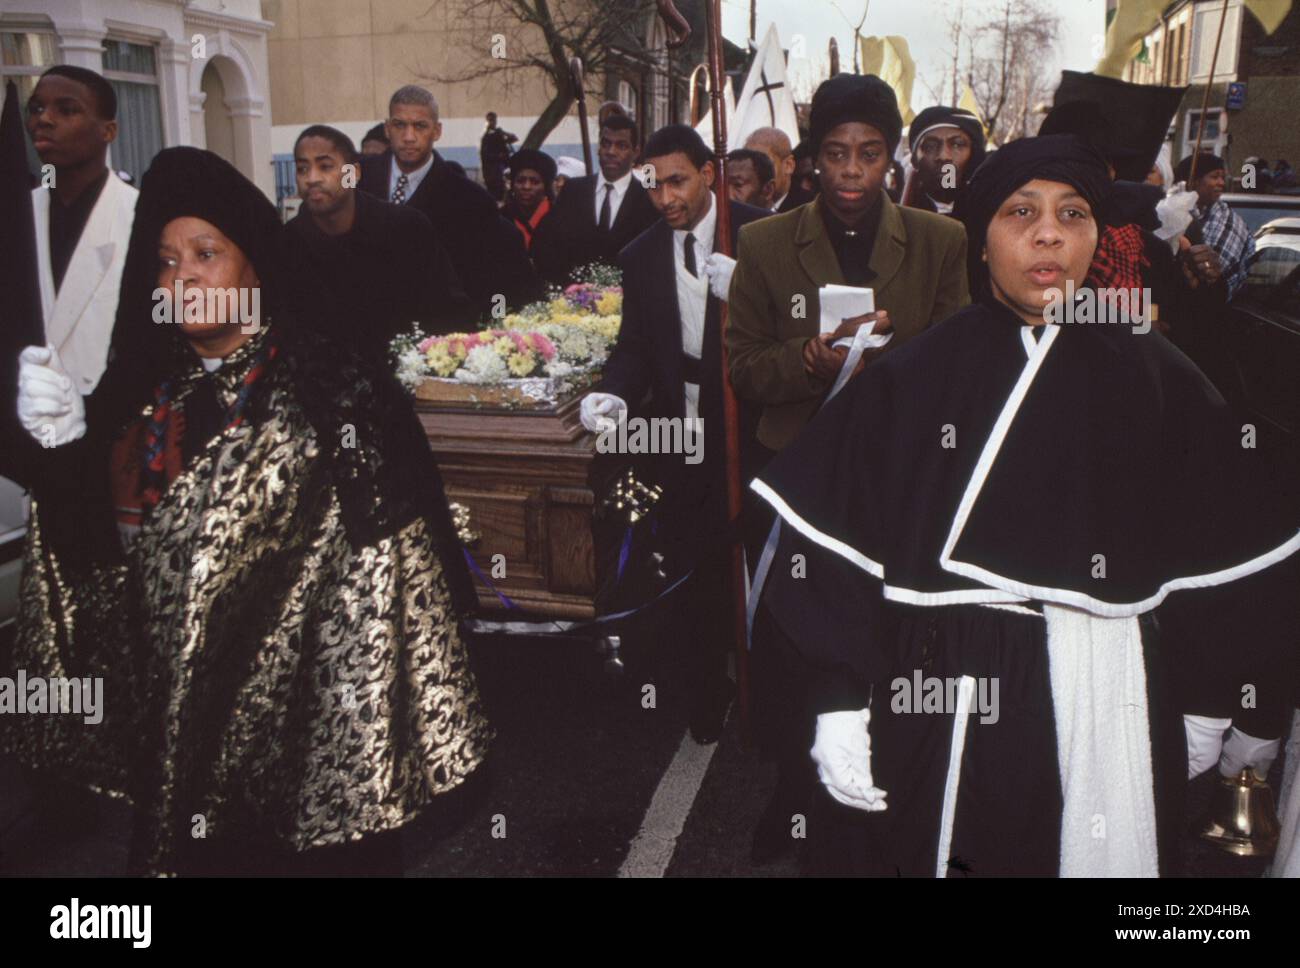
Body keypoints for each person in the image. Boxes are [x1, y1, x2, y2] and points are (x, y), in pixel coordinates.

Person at [749, 134, 1299, 876]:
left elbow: (1229, 546)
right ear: (982, 244)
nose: (1049, 232)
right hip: (940, 688)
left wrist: (1206, 699)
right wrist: (838, 699)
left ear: (1097, 238)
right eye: (1021, 212)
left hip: (1104, 686)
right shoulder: (918, 376)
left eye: (1073, 214)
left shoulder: (1151, 370)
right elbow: (828, 550)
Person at [3, 147, 492, 876]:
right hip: (175, 727)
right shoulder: (142, 389)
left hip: (309, 739)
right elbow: (85, 546)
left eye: (206, 252)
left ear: (256, 267)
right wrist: (57, 440)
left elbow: (389, 573)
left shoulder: (331, 387)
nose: (184, 276)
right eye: (166, 261)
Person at [726, 73, 968, 864]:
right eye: (835, 155)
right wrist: (809, 358)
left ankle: (882, 797)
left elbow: (965, 368)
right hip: (799, 484)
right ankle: (796, 794)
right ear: (809, 162)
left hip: (899, 483)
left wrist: (895, 366)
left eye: (868, 153)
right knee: (798, 647)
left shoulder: (941, 242)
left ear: (892, 158)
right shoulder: (763, 242)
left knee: (885, 644)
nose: (852, 171)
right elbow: (743, 372)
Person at [578, 125, 769, 744]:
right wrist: (614, 388)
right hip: (680, 430)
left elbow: (798, 318)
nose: (665, 197)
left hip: (749, 419)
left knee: (762, 557)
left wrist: (749, 293)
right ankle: (708, 690)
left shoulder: (760, 232)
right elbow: (636, 345)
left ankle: (770, 686)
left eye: (677, 180)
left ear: (709, 172)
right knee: (692, 560)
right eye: (653, 183)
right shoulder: (639, 255)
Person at [282, 125, 472, 356]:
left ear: (354, 174)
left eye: (325, 166)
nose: (311, 178)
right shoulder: (287, 245)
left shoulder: (405, 228)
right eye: (302, 169)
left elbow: (450, 312)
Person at [358, 85, 541, 318]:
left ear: (437, 131)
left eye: (420, 126)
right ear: (387, 128)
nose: (408, 137)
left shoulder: (469, 199)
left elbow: (499, 280)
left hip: (437, 336)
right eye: (399, 125)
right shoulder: (356, 178)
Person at [22, 66, 138, 396]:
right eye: (36, 108)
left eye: (67, 110)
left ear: (109, 131)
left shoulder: (139, 216)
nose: (44, 119)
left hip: (110, 419)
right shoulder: (16, 217)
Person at [531, 113, 658, 286]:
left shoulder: (649, 200)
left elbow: (654, 260)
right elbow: (548, 247)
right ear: (599, 148)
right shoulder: (573, 191)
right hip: (575, 304)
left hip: (632, 304)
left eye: (621, 146)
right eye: (606, 144)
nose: (611, 152)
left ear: (635, 152)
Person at [1174, 152, 1255, 300]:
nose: (1221, 183)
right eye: (1214, 176)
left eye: (1222, 177)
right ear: (1194, 181)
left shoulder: (1228, 222)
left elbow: (1210, 281)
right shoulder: (1173, 212)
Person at [902, 105, 986, 216]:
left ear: (974, 157)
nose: (944, 156)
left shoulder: (991, 216)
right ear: (914, 160)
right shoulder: (892, 212)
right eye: (930, 146)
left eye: (957, 144)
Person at [744, 126, 813, 213]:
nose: (753, 174)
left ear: (789, 165)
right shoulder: (742, 203)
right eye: (748, 167)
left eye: (762, 165)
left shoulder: (809, 209)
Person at [503, 148, 556, 251]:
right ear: (513, 185)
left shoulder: (558, 218)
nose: (526, 187)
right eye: (520, 181)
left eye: (535, 182)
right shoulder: (502, 218)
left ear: (546, 187)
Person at [479, 111, 517, 203]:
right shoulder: (486, 136)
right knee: (495, 193)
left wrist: (504, 133)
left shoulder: (498, 133)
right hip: (492, 171)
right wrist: (498, 156)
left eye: (494, 120)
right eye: (490, 120)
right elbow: (485, 155)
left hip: (503, 168)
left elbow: (514, 138)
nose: (493, 122)